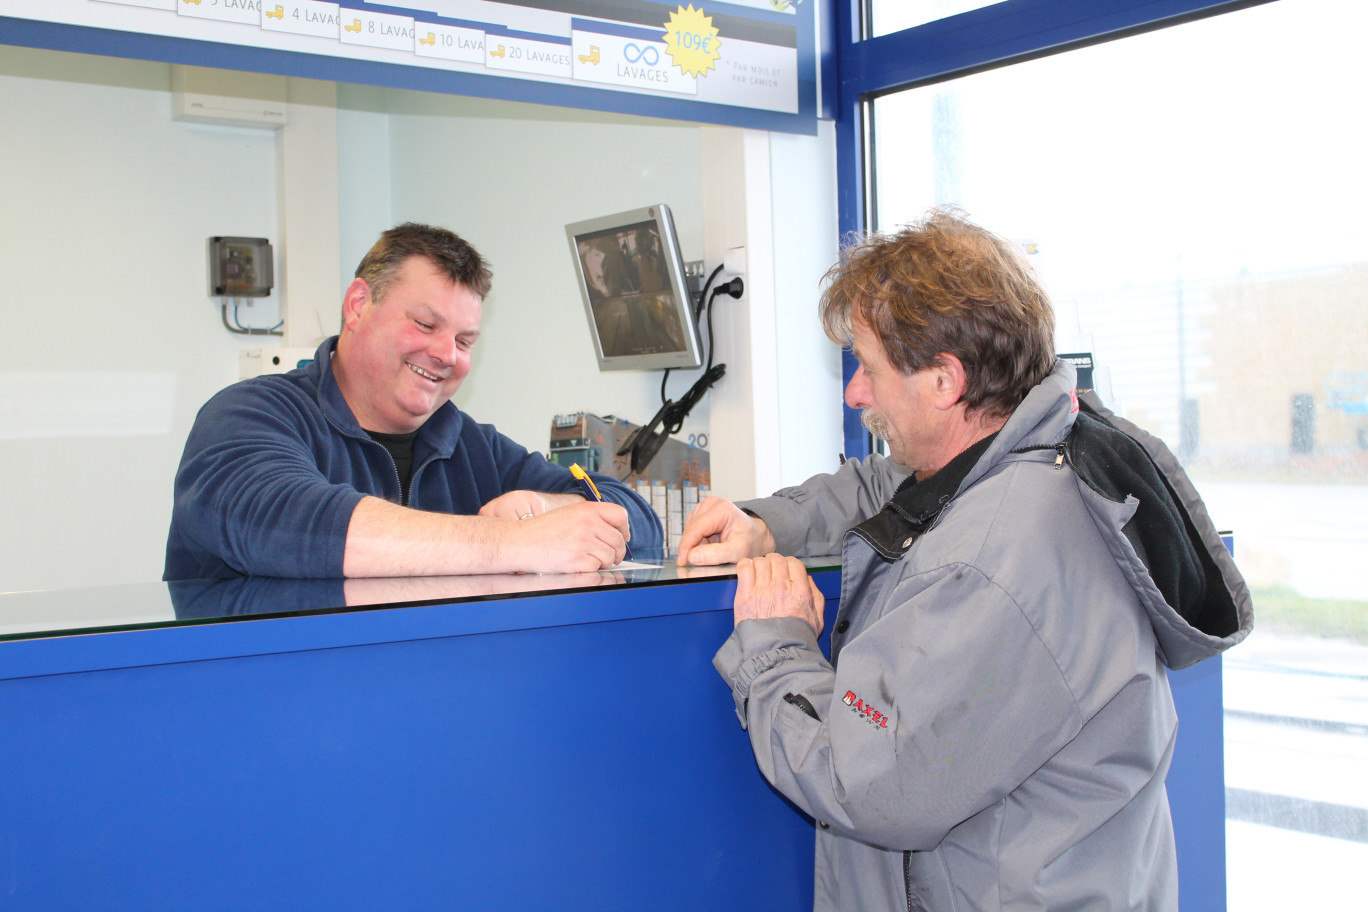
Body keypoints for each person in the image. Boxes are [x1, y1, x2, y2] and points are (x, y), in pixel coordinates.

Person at [676, 209, 1252, 910]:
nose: (856, 392)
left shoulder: (992, 564)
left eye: (868, 366)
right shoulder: (1037, 456)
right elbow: (884, 486)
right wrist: (765, 524)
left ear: (945, 382)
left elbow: (863, 783)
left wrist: (774, 646)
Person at [165, 223, 661, 581]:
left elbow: (638, 520)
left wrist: (548, 506)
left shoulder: (470, 445)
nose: (446, 354)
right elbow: (291, 525)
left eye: (465, 342)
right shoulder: (246, 416)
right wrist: (515, 543)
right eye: (425, 325)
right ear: (358, 305)